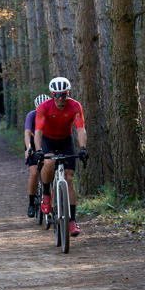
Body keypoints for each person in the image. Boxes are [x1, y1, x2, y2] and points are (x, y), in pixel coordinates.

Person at [33, 76, 88, 237]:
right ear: (52, 95)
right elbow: (38, 131)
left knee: (69, 179)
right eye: (57, 95)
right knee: (49, 163)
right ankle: (46, 193)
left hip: (65, 140)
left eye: (64, 95)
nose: (60, 99)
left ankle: (72, 220)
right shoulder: (44, 107)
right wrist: (38, 150)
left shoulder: (75, 106)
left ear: (67, 94)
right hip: (48, 141)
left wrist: (83, 148)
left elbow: (80, 129)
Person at [23, 93, 49, 217]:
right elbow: (27, 133)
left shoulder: (52, 114)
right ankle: (31, 203)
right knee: (34, 173)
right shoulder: (31, 115)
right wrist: (28, 147)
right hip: (33, 144)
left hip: (47, 143)